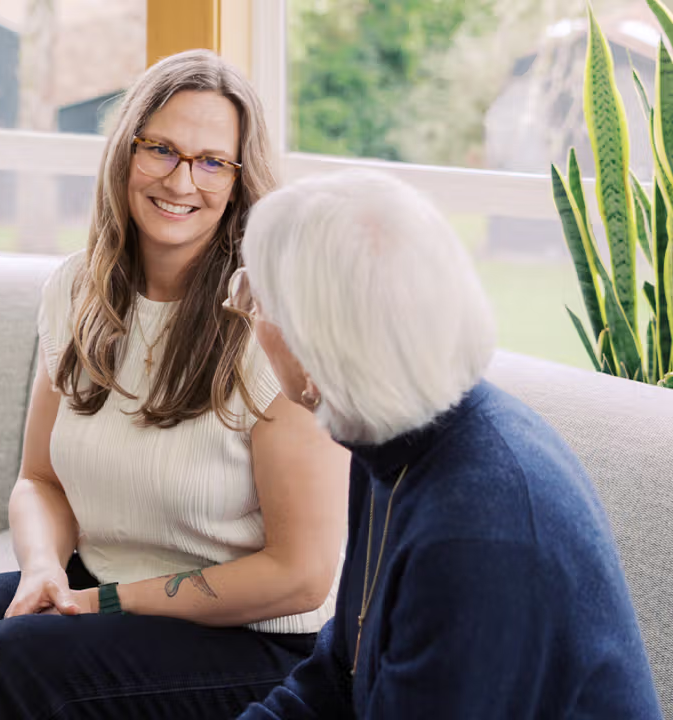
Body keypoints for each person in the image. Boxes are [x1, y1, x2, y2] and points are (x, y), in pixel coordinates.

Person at [0, 49, 350, 720]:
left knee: (11, 666)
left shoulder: (272, 325)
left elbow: (300, 574)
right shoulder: (78, 290)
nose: (181, 179)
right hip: (98, 583)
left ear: (239, 180)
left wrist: (102, 602)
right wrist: (43, 569)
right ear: (124, 153)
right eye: (160, 148)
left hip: (247, 638)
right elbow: (40, 480)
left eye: (211, 161)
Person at [229, 170, 661, 718]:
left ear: (315, 353)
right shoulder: (385, 440)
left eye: (255, 299)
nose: (248, 318)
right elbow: (339, 674)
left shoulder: (479, 532)